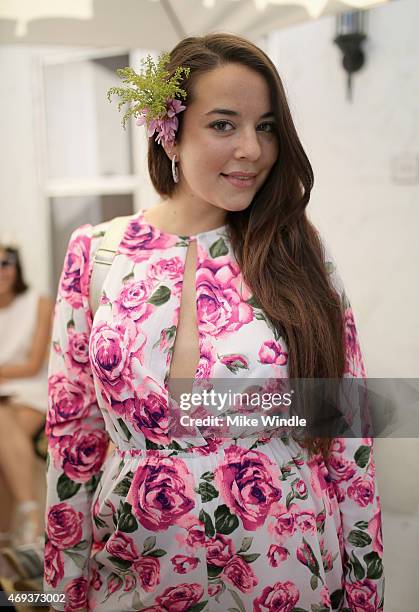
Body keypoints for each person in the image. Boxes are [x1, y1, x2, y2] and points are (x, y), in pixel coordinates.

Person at [43, 33, 384, 612]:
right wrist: (57, 594)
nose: (252, 149)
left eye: (268, 126)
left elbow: (348, 438)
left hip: (282, 573)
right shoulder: (97, 253)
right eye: (223, 124)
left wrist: (365, 593)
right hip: (132, 575)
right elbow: (72, 439)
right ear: (170, 131)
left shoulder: (301, 253)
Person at [0, 244, 53, 546]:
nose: (1, 271)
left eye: (6, 263)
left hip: (30, 388)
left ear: (17, 266)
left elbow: (33, 364)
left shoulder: (39, 303)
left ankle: (22, 520)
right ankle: (22, 526)